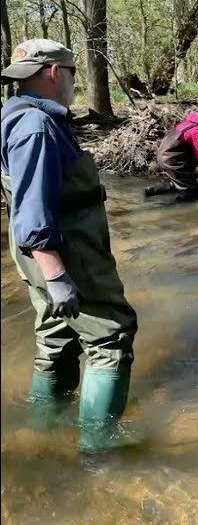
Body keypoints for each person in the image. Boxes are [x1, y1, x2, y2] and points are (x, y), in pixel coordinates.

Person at [0, 39, 138, 452]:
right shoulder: (37, 127)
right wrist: (57, 274)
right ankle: (99, 454)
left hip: (34, 254)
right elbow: (35, 212)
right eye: (75, 73)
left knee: (57, 335)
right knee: (110, 336)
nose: (74, 82)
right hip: (64, 250)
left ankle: (42, 434)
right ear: (55, 72)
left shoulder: (13, 116)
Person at [155, 109, 198, 201]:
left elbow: (193, 146)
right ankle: (177, 212)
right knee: (191, 192)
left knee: (181, 183)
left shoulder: (189, 123)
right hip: (172, 160)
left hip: (164, 156)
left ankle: (151, 191)